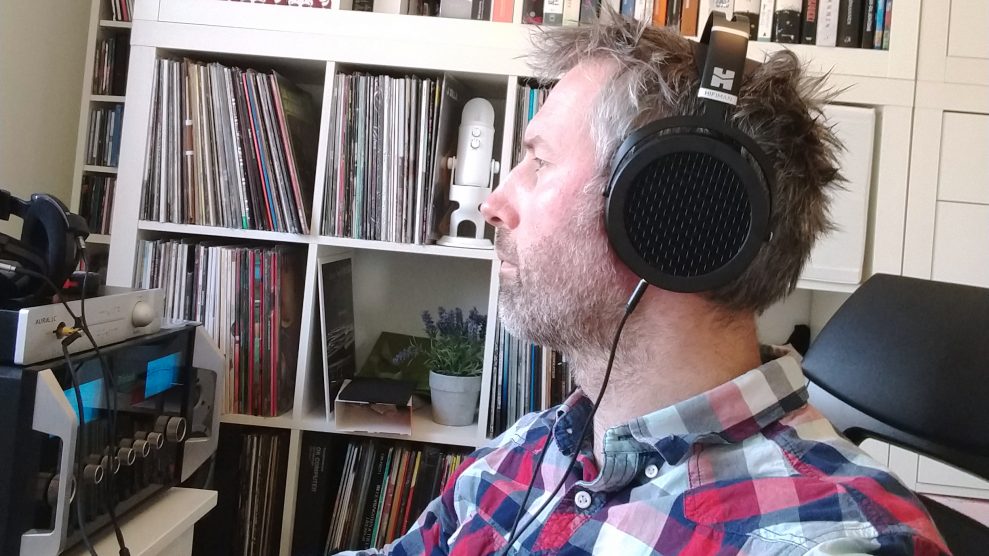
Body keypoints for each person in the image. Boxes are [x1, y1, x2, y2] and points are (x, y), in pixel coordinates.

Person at [339, 15, 948, 556]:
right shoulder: (531, 450)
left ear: (669, 213)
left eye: (539, 162)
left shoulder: (827, 538)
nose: (493, 204)